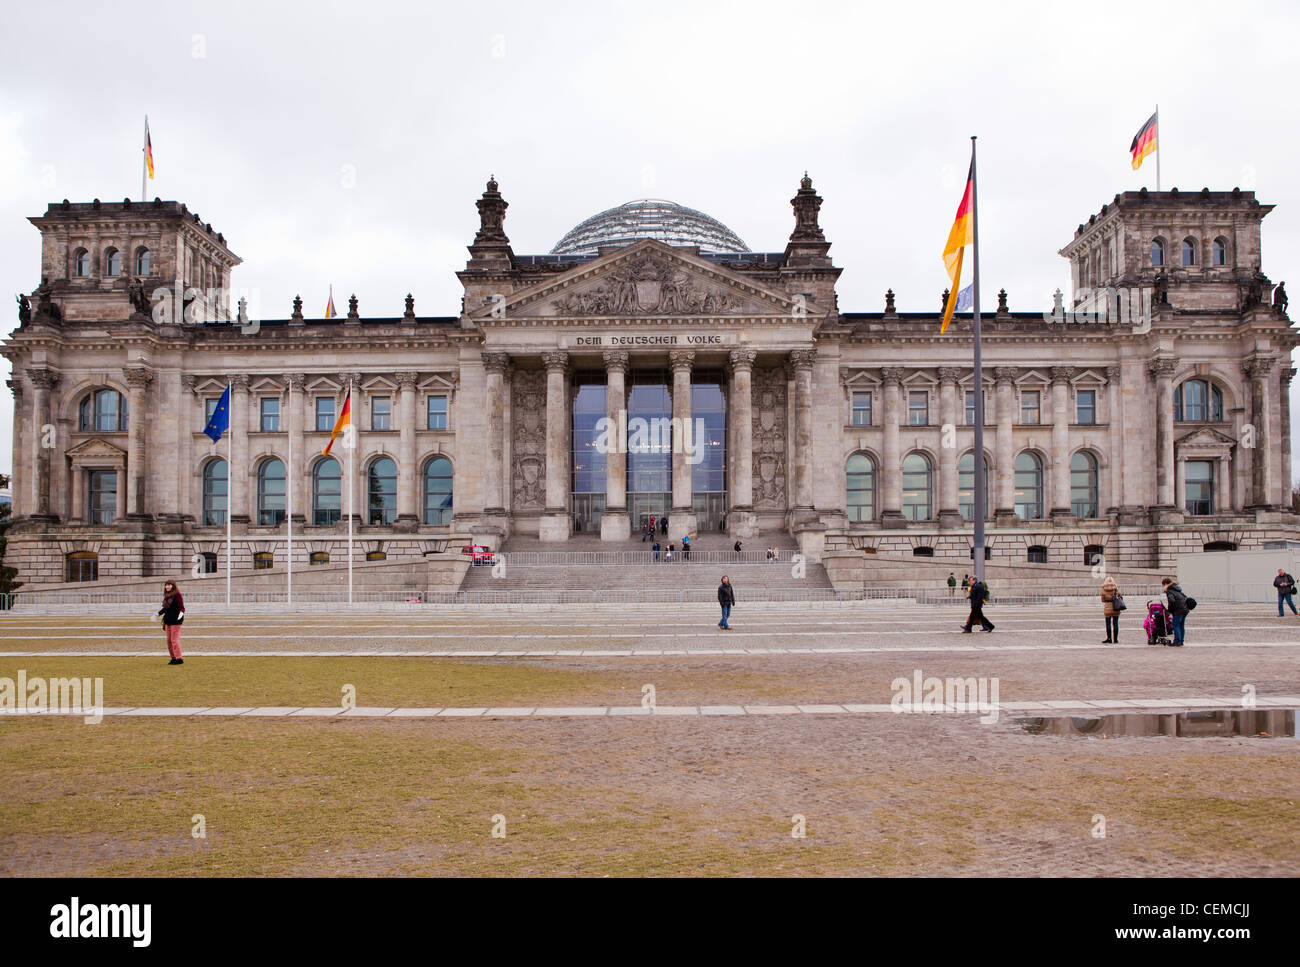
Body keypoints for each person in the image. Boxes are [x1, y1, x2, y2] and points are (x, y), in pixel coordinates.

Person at [156, 579, 185, 665]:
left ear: (173, 586)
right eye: (166, 585)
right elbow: (165, 608)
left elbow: (182, 607)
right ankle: (173, 657)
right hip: (168, 620)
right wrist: (158, 614)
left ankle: (179, 658)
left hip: (175, 621)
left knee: (174, 640)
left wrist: (181, 614)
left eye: (169, 585)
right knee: (169, 640)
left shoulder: (177, 595)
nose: (167, 586)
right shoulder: (167, 596)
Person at [1162, 577, 1189, 646]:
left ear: (1165, 584)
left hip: (1178, 610)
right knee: (1181, 625)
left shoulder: (1169, 591)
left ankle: (1177, 641)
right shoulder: (1177, 589)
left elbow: (1171, 601)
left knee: (1175, 625)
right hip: (1185, 609)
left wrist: (1170, 610)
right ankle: (1181, 641)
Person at [1101, 575, 1121, 643]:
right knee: (1115, 624)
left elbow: (1102, 600)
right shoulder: (1115, 588)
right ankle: (1116, 639)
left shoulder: (1104, 589)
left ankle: (1109, 638)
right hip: (1116, 607)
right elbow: (1120, 596)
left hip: (1107, 608)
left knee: (1108, 623)